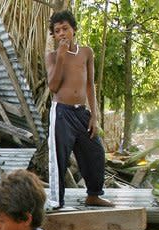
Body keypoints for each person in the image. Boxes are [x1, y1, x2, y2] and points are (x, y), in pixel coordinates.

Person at [45, 10, 113, 209]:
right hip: (62, 113)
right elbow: (53, 86)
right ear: (54, 35)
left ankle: (94, 195)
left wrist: (94, 115)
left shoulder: (86, 53)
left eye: (65, 28)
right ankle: (57, 201)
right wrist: (61, 58)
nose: (62, 34)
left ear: (74, 29)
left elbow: (91, 85)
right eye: (57, 31)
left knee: (95, 152)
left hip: (81, 112)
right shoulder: (52, 57)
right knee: (59, 156)